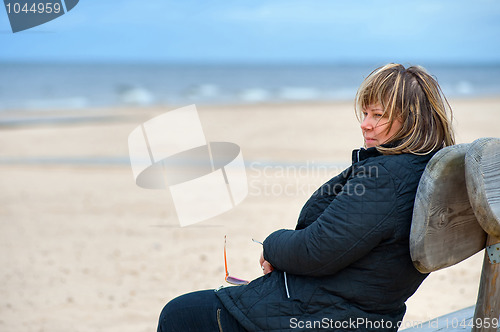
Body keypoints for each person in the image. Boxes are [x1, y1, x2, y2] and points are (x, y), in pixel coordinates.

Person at [157, 63, 455, 331]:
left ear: (413, 121)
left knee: (179, 314)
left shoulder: (386, 179)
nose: (365, 123)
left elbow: (315, 251)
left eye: (379, 115)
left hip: (326, 315)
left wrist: (272, 246)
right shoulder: (420, 167)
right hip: (358, 307)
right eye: (365, 113)